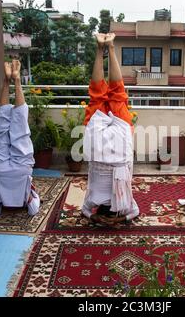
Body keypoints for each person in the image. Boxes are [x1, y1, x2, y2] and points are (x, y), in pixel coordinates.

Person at [81, 33, 139, 226]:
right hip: (97, 148)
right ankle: (100, 48)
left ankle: (110, 47)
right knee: (97, 95)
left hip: (121, 147)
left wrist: (120, 218)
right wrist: (95, 216)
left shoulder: (125, 202)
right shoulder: (92, 200)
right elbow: (85, 211)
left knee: (117, 94)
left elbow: (135, 212)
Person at [0, 60, 40, 217]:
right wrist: (32, 196)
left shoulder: (26, 196)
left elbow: (33, 210)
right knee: (0, 130)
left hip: (20, 170)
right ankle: (9, 80)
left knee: (20, 129)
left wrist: (32, 195)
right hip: (1, 170)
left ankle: (15, 81)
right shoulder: (0, 200)